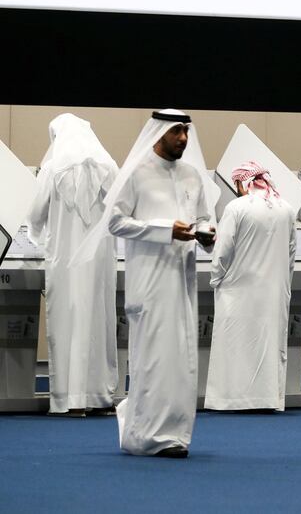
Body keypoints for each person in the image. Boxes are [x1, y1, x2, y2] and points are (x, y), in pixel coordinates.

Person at [73, 109, 219, 457]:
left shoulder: (192, 176)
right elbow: (116, 223)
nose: (183, 138)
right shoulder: (135, 174)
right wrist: (164, 230)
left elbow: (202, 218)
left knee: (181, 360)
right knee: (153, 360)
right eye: (176, 132)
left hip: (182, 282)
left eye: (186, 132)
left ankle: (174, 435)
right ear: (159, 134)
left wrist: (206, 235)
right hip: (149, 285)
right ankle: (144, 436)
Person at [27, 113, 118, 417]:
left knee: (67, 319)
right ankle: (97, 396)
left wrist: (35, 236)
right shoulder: (109, 166)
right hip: (99, 260)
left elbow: (36, 215)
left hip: (64, 262)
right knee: (98, 319)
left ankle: (67, 398)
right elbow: (123, 211)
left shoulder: (53, 168)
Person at [204, 161, 296, 412]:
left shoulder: (236, 207)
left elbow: (223, 251)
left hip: (237, 291)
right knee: (267, 345)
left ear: (241, 183)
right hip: (273, 293)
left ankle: (231, 400)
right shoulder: (286, 209)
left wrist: (216, 279)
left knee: (235, 346)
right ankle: (267, 400)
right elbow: (291, 254)